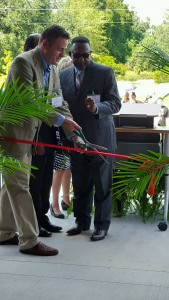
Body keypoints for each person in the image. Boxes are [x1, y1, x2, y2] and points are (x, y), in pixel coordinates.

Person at [0, 25, 82, 256]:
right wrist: (61, 122)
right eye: (59, 49)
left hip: (31, 136)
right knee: (20, 187)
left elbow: (58, 100)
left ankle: (4, 232)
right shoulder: (22, 63)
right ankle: (29, 240)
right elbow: (31, 103)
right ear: (44, 44)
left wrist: (72, 128)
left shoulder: (53, 67)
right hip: (14, 136)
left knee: (11, 185)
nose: (62, 55)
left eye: (64, 50)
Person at [60, 36, 121, 241]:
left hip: (101, 138)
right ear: (71, 55)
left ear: (90, 54)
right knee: (80, 184)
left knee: (103, 185)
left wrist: (97, 108)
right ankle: (81, 222)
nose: (82, 60)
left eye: (86, 55)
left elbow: (115, 103)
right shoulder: (63, 75)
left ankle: (101, 226)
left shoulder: (105, 72)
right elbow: (60, 104)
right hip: (76, 139)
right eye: (77, 56)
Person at [51, 56, 73, 219]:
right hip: (58, 129)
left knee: (67, 167)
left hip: (70, 128)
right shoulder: (55, 83)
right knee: (59, 168)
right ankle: (55, 204)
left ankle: (66, 199)